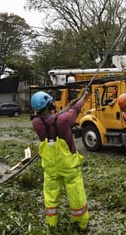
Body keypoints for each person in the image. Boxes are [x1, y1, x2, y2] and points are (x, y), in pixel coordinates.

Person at [30, 90, 89, 234]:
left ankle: (52, 224)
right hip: (68, 165)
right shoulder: (64, 121)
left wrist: (68, 105)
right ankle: (80, 224)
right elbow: (75, 110)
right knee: (76, 195)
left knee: (50, 196)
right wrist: (84, 96)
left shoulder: (36, 123)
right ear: (50, 104)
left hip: (50, 166)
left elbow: (55, 117)